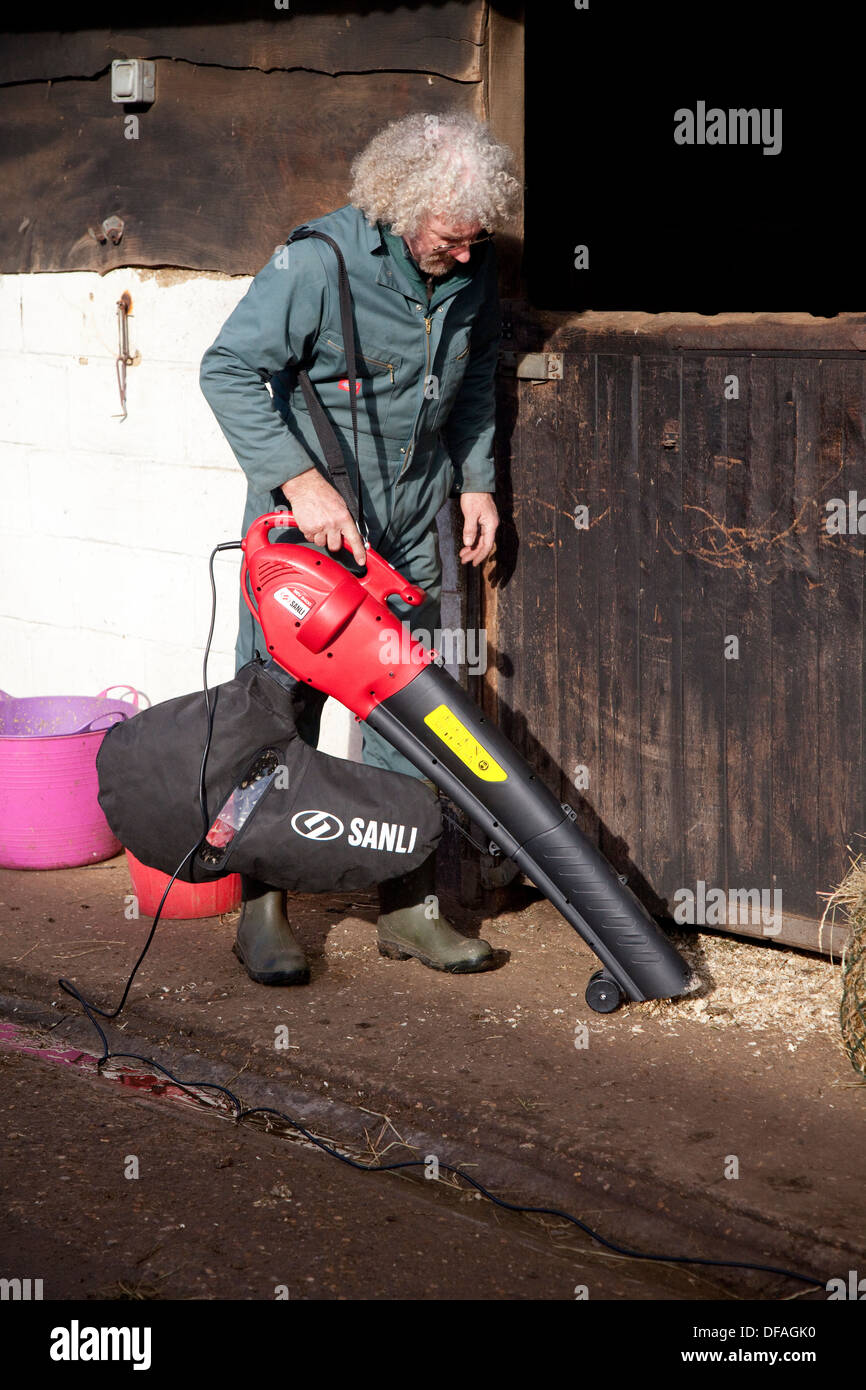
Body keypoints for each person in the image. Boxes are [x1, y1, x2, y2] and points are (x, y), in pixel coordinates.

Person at [199, 110, 521, 986]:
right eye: (452, 239)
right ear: (403, 208)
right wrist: (298, 482)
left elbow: (480, 364)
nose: (466, 256)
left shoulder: (471, 263)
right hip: (310, 536)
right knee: (279, 711)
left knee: (405, 716)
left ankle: (405, 905)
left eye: (475, 240)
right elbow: (226, 367)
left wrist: (478, 479)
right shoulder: (319, 261)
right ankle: (262, 904)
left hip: (411, 525)